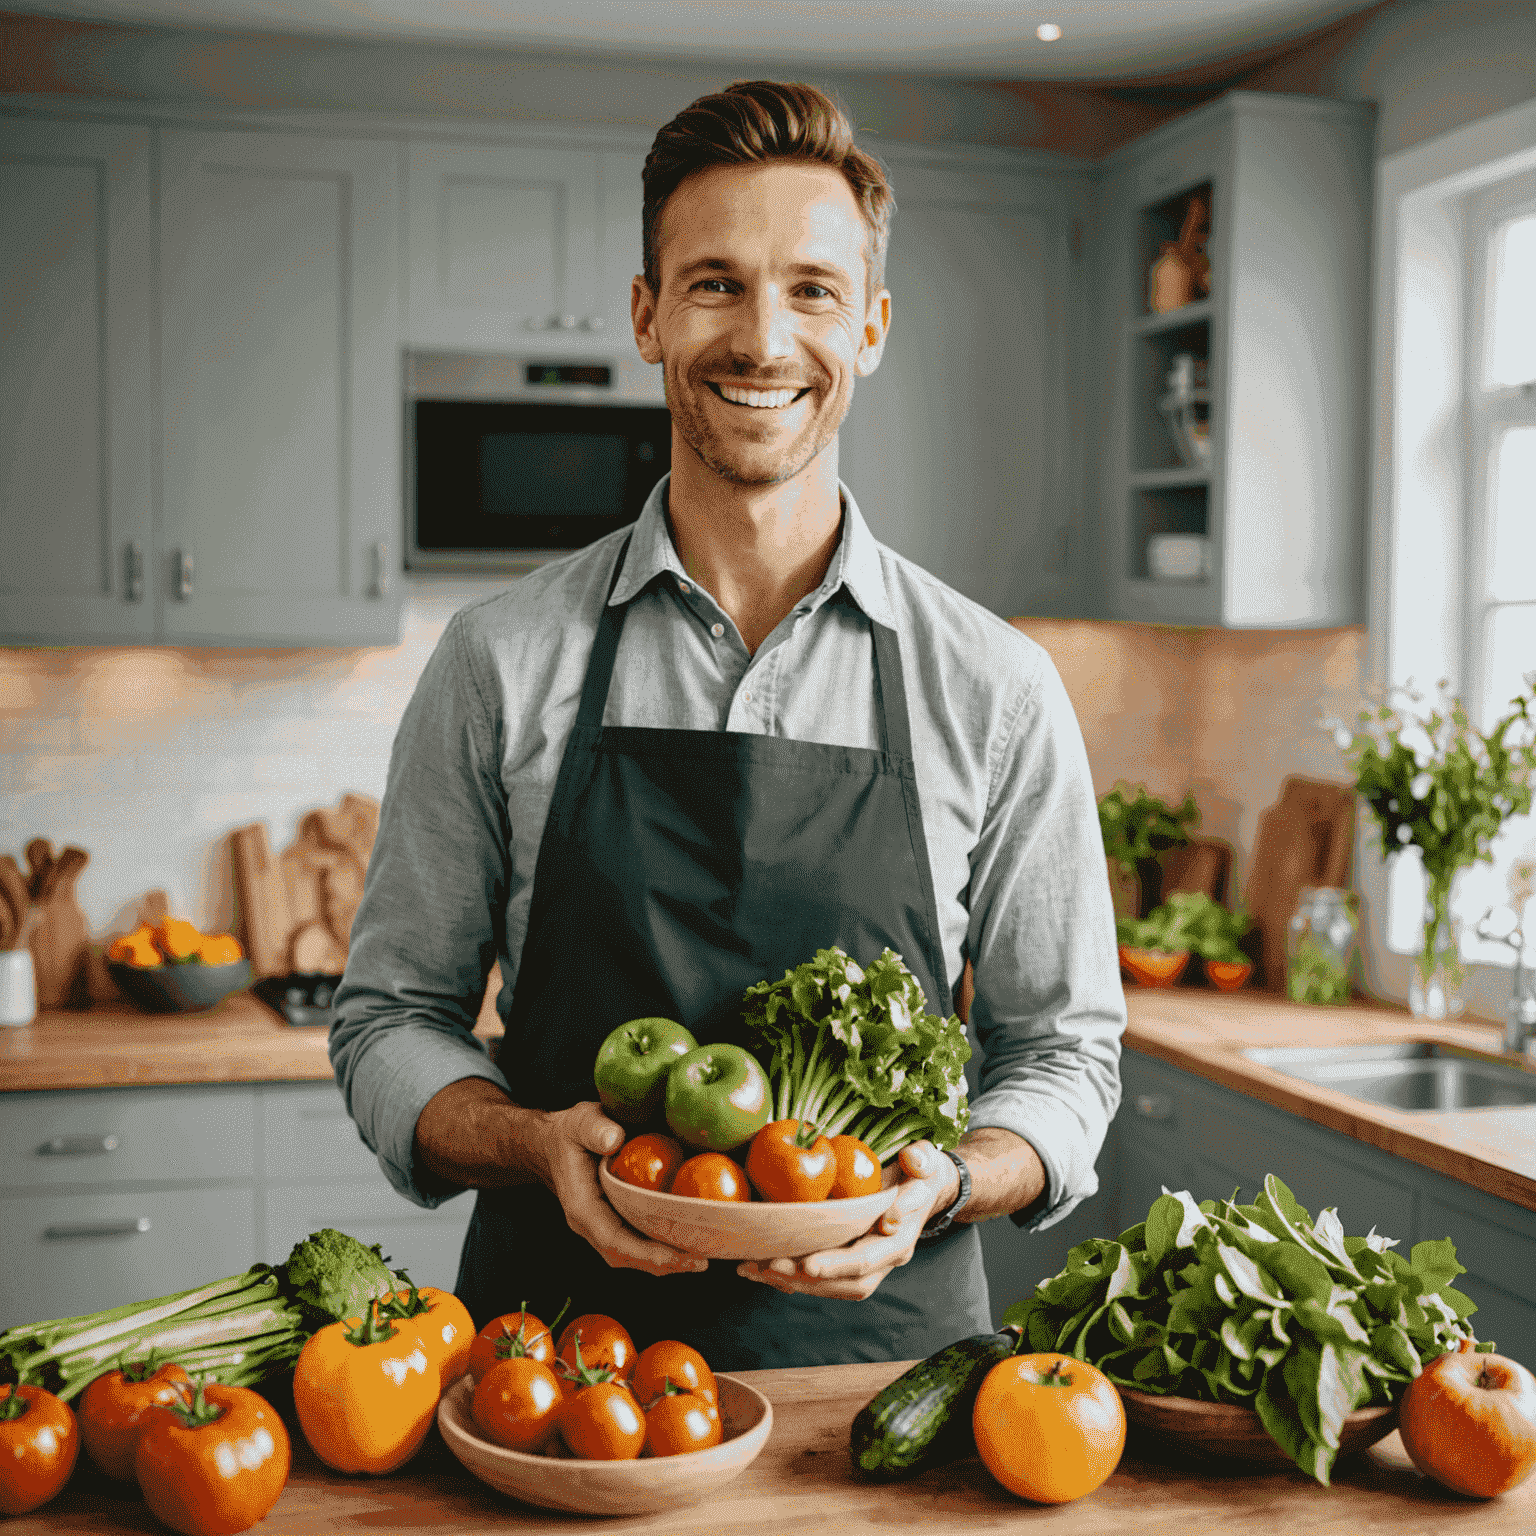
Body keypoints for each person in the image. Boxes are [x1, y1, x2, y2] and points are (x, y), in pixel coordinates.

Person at [330, 79, 1125, 1371]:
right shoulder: (498, 663)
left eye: (812, 289)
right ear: (647, 315)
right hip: (560, 1390)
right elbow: (388, 1020)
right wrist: (534, 1142)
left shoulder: (998, 687)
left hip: (888, 1380)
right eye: (714, 284)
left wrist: (951, 1180)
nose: (764, 338)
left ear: (870, 328)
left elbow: (1065, 1053)